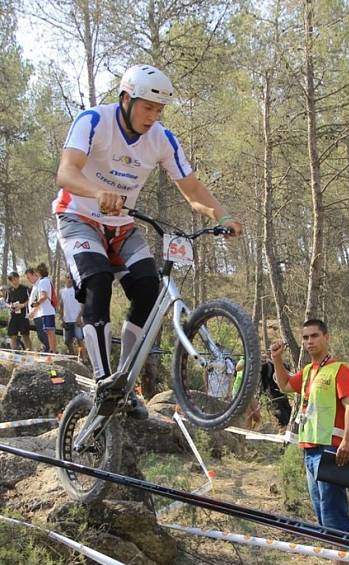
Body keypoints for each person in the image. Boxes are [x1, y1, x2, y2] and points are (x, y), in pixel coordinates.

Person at [52, 63, 241, 419]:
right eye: (147, 107)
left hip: (122, 224)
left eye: (159, 110)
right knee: (97, 281)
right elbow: (66, 172)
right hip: (78, 216)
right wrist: (98, 191)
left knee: (148, 290)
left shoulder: (162, 139)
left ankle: (121, 383)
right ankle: (102, 378)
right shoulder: (93, 120)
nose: (153, 116)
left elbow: (192, 189)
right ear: (126, 99)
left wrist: (221, 215)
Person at [271, 319, 349, 565]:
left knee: (333, 507)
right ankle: (338, 563)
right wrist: (277, 359)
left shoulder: (338, 370)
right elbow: (285, 385)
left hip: (330, 449)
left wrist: (347, 441)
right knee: (321, 509)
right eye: (306, 337)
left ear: (326, 337)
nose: (309, 342)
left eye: (314, 336)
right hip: (309, 449)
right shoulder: (309, 371)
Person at [27, 263, 57, 353]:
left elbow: (43, 296)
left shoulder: (43, 281)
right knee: (48, 332)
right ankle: (52, 350)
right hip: (45, 311)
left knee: (49, 332)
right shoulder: (45, 281)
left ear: (38, 272)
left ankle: (52, 351)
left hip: (47, 311)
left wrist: (35, 304)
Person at [260, 351, 293, 431]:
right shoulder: (268, 365)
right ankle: (286, 425)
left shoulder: (276, 364)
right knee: (281, 407)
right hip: (275, 390)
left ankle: (287, 425)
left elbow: (287, 370)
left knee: (282, 408)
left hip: (277, 390)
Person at [59, 272, 84, 357]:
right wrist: (62, 318)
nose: (70, 279)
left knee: (80, 339)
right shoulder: (62, 291)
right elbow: (61, 306)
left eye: (71, 278)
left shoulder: (77, 289)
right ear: (65, 278)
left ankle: (83, 358)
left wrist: (80, 317)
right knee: (67, 341)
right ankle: (73, 355)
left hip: (77, 319)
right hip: (67, 320)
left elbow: (83, 304)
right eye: (68, 277)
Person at [6, 271, 32, 350]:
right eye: (12, 279)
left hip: (23, 315)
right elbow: (7, 302)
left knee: (25, 334)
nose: (14, 281)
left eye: (16, 278)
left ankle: (30, 351)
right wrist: (10, 306)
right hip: (13, 315)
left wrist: (22, 305)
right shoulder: (9, 290)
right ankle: (13, 352)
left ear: (18, 278)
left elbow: (30, 300)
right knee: (13, 335)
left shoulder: (25, 288)